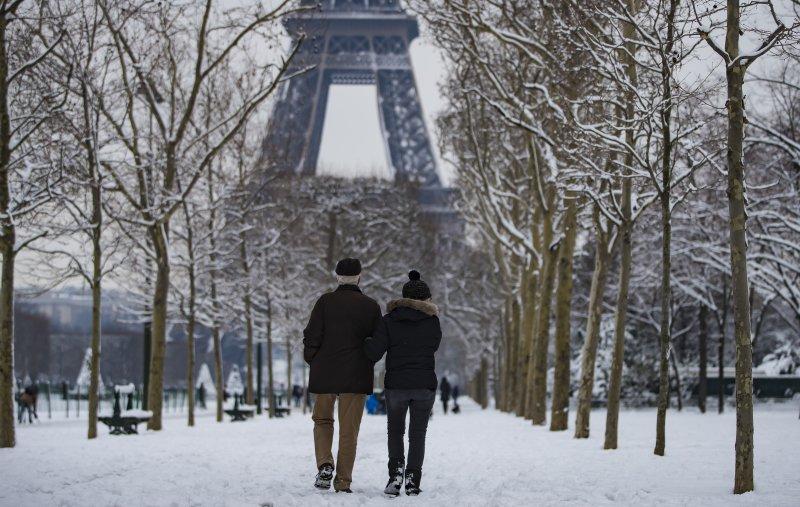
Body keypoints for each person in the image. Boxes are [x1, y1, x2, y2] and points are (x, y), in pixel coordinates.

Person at [303, 257, 382, 493]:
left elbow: (311, 335)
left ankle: (325, 464)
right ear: (360, 276)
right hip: (356, 375)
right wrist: (366, 358)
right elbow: (378, 344)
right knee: (349, 431)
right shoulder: (370, 306)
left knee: (322, 421)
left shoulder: (325, 302)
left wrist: (313, 359)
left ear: (337, 276)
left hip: (325, 371)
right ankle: (343, 480)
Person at [365, 270, 442, 497]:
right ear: (426, 299)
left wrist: (365, 340)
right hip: (424, 385)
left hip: (396, 384)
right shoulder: (432, 321)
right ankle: (412, 478)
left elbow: (374, 351)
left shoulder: (389, 320)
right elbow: (434, 346)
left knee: (395, 431)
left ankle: (395, 474)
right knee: (418, 433)